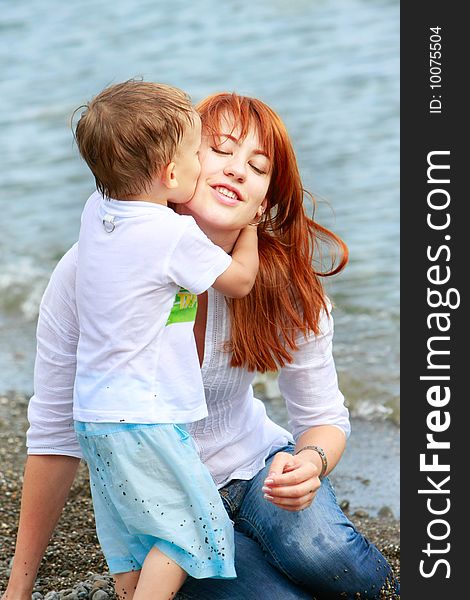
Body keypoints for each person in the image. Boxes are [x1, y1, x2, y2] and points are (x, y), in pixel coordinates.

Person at [2, 92, 399, 600]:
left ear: (265, 203)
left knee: (339, 564)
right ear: (174, 164)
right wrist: (19, 588)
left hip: (256, 466)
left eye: (257, 167)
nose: (236, 171)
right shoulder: (91, 269)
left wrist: (312, 462)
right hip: (163, 497)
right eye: (220, 149)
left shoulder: (282, 284)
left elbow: (322, 416)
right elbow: (55, 433)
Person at [52, 80, 263, 599]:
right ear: (171, 174)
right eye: (197, 152)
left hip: (93, 413)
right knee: (194, 527)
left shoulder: (95, 213)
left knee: (129, 529)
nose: (201, 163)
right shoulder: (172, 237)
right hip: (145, 413)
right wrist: (253, 224)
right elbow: (239, 282)